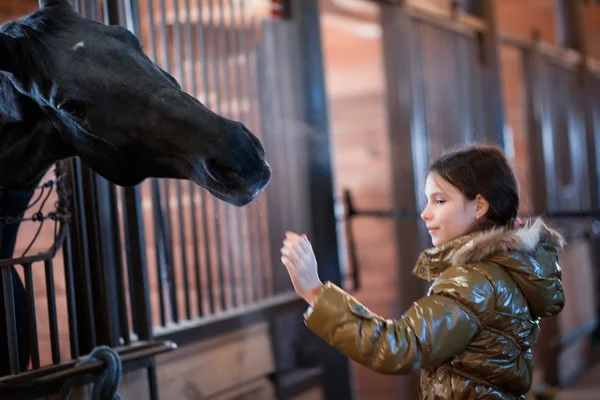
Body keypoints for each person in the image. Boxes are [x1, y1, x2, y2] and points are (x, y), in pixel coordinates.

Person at [280, 144, 565, 400]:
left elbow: (399, 347)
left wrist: (316, 293)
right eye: (427, 200)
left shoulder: (474, 280)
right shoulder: (502, 267)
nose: (425, 213)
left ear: (479, 205)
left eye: (439, 201)